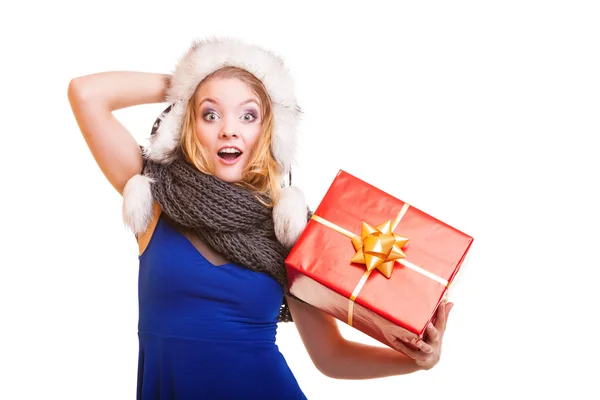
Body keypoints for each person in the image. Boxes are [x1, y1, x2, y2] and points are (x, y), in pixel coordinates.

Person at [67, 37, 453, 399]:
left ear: (269, 131)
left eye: (248, 115)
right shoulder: (155, 196)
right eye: (210, 113)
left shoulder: (291, 230)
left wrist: (415, 362)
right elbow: (86, 94)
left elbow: (330, 356)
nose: (229, 130)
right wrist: (192, 81)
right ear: (189, 123)